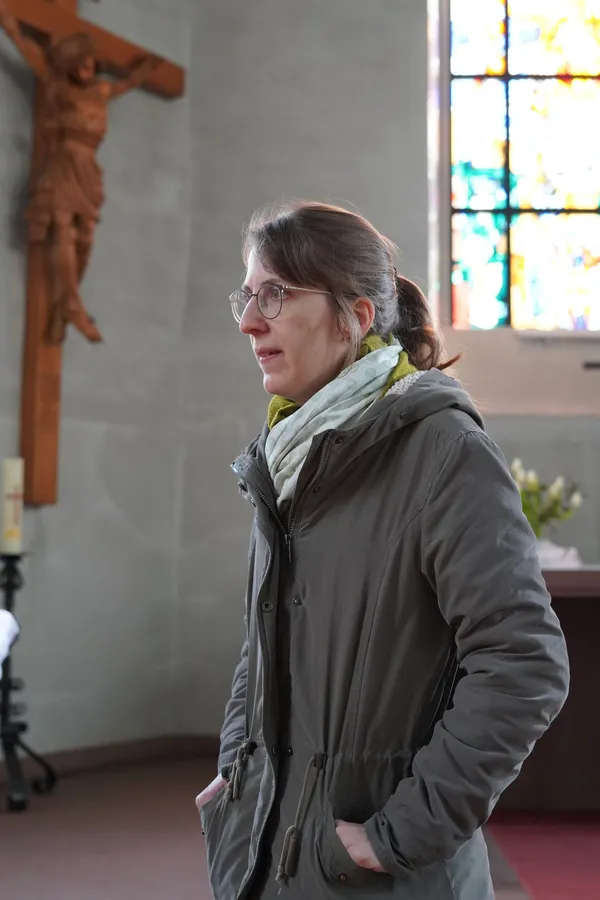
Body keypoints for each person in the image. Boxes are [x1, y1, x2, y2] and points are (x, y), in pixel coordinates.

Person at [195, 200, 569, 900]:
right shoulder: (286, 457)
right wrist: (236, 776)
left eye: (274, 295)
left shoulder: (444, 452)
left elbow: (523, 662)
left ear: (356, 316)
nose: (249, 321)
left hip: (377, 873)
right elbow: (263, 644)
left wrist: (401, 833)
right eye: (246, 297)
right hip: (269, 853)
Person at [0, 1, 159, 343]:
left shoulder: (100, 91)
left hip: (87, 170)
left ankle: (64, 306)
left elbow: (127, 83)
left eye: (89, 62)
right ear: (71, 64)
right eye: (80, 62)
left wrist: (145, 71)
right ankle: (73, 306)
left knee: (85, 239)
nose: (85, 67)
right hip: (62, 166)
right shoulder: (59, 88)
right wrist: (10, 26)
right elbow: (30, 52)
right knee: (63, 232)